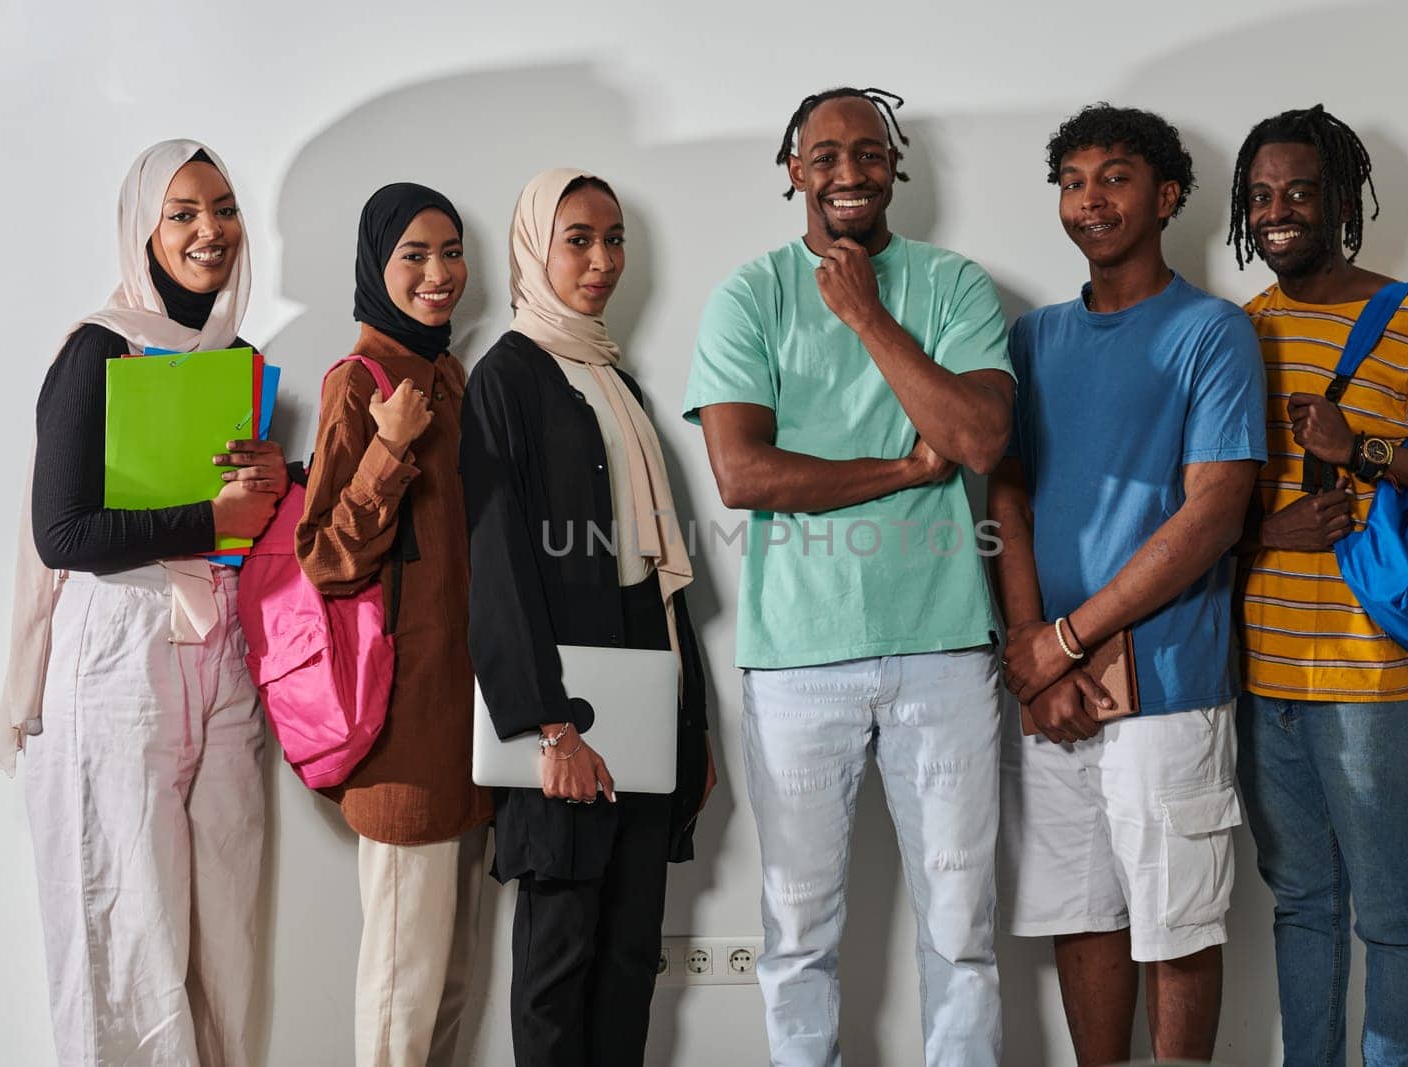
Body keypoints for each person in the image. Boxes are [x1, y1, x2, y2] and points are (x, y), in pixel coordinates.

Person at [684, 88, 1013, 1066]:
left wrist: (868, 316)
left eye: (868, 152)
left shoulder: (952, 287)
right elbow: (744, 474)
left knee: (961, 925)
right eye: (823, 154)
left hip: (945, 650)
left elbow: (981, 436)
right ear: (793, 169)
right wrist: (908, 469)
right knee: (795, 929)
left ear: (894, 166)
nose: (847, 171)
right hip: (796, 661)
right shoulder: (751, 295)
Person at [1228, 104, 1408, 1067]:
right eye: (1261, 196)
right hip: (1266, 676)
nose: (1277, 212)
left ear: (1342, 202)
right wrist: (1269, 531)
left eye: (1299, 192)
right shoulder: (1242, 330)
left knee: (1391, 912)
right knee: (1304, 905)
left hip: (1376, 682)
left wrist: (1367, 449)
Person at [989, 104, 1266, 1066]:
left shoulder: (1212, 332)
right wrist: (1035, 653)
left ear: (1168, 194)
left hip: (1168, 688)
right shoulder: (1033, 338)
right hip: (1052, 689)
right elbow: (1009, 499)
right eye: (1072, 180)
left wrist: (1065, 640)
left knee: (1176, 926)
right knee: (1085, 914)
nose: (1090, 199)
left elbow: (1213, 513)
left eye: (1114, 176)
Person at [0, 139, 285, 1065]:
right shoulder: (98, 347)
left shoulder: (239, 359)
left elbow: (248, 521)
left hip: (219, 647)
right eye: (184, 213)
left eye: (225, 207)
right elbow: (63, 533)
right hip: (118, 655)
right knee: (124, 930)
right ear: (144, 231)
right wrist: (210, 513)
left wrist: (280, 478)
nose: (212, 230)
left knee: (226, 937)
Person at [461, 167, 714, 1066]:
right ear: (536, 246)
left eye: (614, 240)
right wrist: (550, 726)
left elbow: (654, 581)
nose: (601, 260)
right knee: (557, 961)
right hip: (567, 724)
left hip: (644, 714)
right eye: (579, 239)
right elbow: (497, 566)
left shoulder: (616, 381)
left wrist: (692, 727)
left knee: (629, 957)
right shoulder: (507, 378)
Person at [295, 183, 491, 1066]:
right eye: (414, 255)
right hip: (401, 727)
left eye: (450, 252)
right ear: (378, 266)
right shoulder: (359, 381)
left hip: (468, 718)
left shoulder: (448, 372)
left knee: (452, 979)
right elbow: (325, 559)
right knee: (401, 981)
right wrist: (388, 447)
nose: (439, 273)